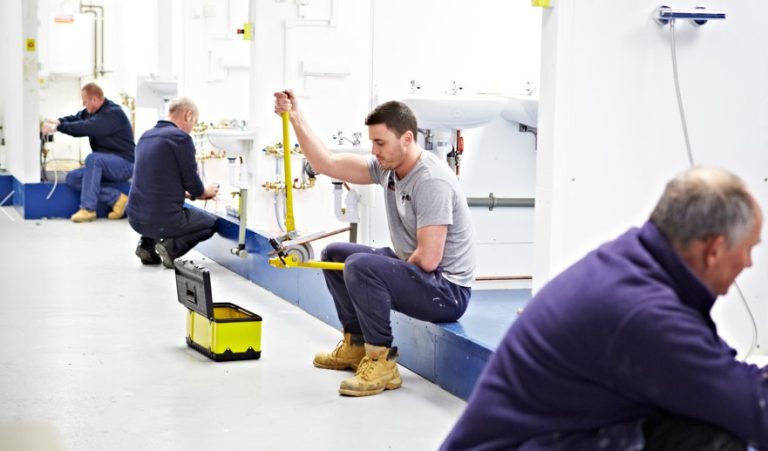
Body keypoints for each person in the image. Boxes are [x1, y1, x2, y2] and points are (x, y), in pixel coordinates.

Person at [441, 166, 764, 451]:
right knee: (710, 439)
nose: (749, 263)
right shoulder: (644, 312)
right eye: (749, 249)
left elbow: (715, 371)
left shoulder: (633, 263)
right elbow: (754, 412)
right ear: (714, 250)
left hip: (542, 439)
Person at [274, 90, 476, 397]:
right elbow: (327, 163)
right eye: (373, 142)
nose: (374, 150)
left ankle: (382, 362)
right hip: (422, 274)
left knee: (361, 266)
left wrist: (383, 277)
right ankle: (355, 346)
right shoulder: (388, 168)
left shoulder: (431, 180)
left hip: (447, 291)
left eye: (380, 143)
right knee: (335, 254)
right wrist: (295, 117)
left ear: (407, 139)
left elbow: (428, 259)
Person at [126, 97, 219, 269]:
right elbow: (194, 186)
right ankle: (171, 249)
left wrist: (185, 194)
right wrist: (206, 191)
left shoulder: (145, 136)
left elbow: (155, 182)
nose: (192, 128)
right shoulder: (181, 138)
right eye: (195, 122)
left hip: (135, 218)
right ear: (188, 115)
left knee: (157, 211)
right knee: (210, 224)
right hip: (162, 220)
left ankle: (146, 246)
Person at [41, 82, 135, 223]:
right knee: (73, 178)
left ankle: (88, 209)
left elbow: (85, 127)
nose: (84, 105)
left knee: (93, 159)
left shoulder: (113, 114)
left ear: (94, 99)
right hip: (108, 165)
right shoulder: (91, 112)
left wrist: (58, 128)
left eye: (85, 102)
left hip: (124, 165)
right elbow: (77, 118)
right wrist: (58, 121)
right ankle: (118, 200)